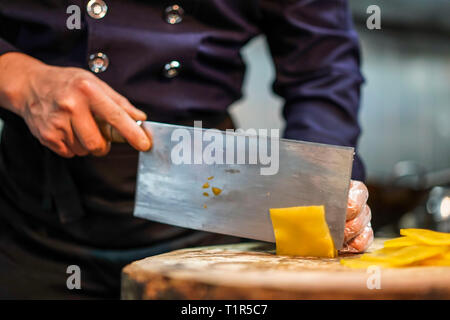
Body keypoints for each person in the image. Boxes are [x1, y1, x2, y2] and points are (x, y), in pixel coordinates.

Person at [0, 0, 373, 299]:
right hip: (33, 220)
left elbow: (322, 66)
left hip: (211, 209)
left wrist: (320, 184)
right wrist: (21, 79)